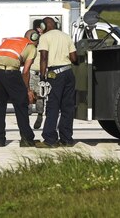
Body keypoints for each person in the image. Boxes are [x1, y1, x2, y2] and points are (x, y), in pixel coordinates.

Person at [0, 27, 42, 148]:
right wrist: (27, 90)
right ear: (34, 38)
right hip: (10, 72)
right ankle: (26, 139)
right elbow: (26, 71)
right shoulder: (31, 47)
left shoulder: (10, 40)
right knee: (21, 104)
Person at [38, 16, 78, 147]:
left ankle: (50, 139)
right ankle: (67, 139)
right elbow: (74, 58)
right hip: (68, 72)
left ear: (43, 27)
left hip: (54, 74)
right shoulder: (66, 36)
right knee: (67, 107)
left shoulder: (45, 37)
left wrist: (42, 77)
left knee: (53, 107)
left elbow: (44, 57)